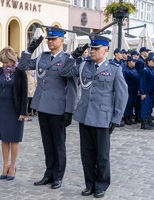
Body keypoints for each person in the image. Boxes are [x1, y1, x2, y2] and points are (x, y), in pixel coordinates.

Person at [60, 35, 128, 198]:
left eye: (97, 49)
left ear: (105, 50)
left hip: (102, 118)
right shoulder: (84, 66)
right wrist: (72, 57)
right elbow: (64, 72)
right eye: (92, 48)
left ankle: (101, 185)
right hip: (84, 116)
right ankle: (89, 184)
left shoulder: (114, 69)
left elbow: (122, 95)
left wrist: (116, 118)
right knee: (87, 153)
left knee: (102, 155)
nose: (93, 51)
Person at [18, 27, 77, 189]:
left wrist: (69, 110)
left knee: (58, 144)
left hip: (58, 108)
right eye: (49, 39)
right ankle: (48, 173)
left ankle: (58, 176)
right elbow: (22, 66)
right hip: (42, 106)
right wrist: (29, 50)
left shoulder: (68, 59)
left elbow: (72, 88)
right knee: (47, 143)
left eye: (54, 39)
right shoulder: (42, 57)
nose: (50, 42)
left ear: (62, 41)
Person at [0, 47, 28, 181]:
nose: (5, 65)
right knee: (4, 138)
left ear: (12, 60)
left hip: (15, 109)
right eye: (3, 62)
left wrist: (23, 112)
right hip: (2, 108)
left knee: (15, 139)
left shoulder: (20, 72)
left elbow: (24, 93)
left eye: (7, 62)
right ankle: (5, 164)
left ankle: (13, 165)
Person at [123, 56, 139, 125]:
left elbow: (137, 80)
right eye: (133, 61)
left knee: (132, 104)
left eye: (135, 61)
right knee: (128, 105)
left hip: (134, 90)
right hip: (129, 90)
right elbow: (125, 82)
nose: (134, 63)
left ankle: (130, 117)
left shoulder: (134, 70)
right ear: (129, 62)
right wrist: (126, 91)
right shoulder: (126, 70)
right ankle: (126, 118)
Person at [139, 53, 154, 130]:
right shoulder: (145, 70)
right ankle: (144, 123)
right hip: (146, 92)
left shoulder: (152, 69)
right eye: (153, 61)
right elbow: (142, 82)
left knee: (150, 107)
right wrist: (143, 93)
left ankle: (148, 120)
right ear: (148, 61)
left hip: (152, 92)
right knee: (145, 107)